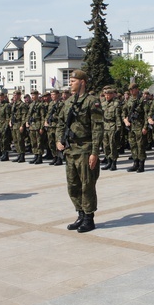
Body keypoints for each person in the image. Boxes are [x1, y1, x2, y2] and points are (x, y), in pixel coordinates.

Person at [56, 70, 104, 233]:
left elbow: (97, 128)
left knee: (87, 185)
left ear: (82, 82)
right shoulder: (68, 102)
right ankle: (80, 214)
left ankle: (89, 218)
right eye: (70, 80)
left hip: (85, 148)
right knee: (73, 185)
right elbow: (61, 122)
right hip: (70, 149)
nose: (70, 83)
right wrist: (58, 140)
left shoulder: (92, 102)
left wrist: (94, 152)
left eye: (73, 80)